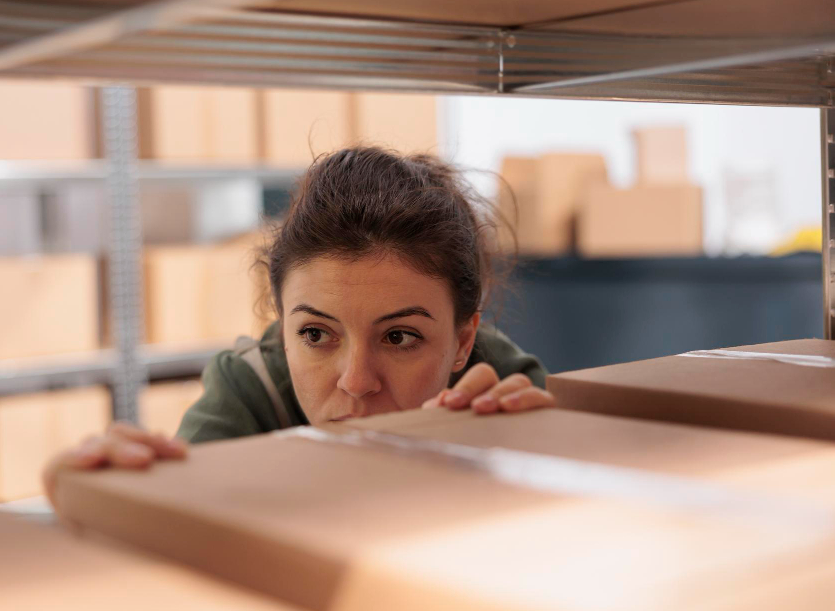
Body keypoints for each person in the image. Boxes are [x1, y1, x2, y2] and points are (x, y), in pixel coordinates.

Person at [44, 146, 553, 502]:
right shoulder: (250, 391)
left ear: (463, 341)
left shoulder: (499, 392)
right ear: (282, 323)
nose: (356, 381)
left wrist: (530, 459)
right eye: (315, 334)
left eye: (399, 337)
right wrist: (94, 512)